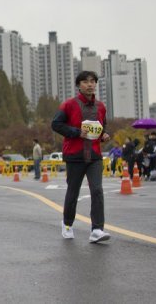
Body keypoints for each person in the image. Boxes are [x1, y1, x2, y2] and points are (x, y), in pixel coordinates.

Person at [52, 71, 111, 243]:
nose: (90, 85)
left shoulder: (101, 107)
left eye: (93, 81)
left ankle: (97, 230)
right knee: (73, 191)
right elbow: (56, 124)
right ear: (79, 85)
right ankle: (68, 224)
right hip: (75, 156)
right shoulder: (69, 105)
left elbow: (102, 126)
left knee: (97, 191)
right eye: (85, 82)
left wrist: (104, 135)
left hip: (94, 156)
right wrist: (77, 132)